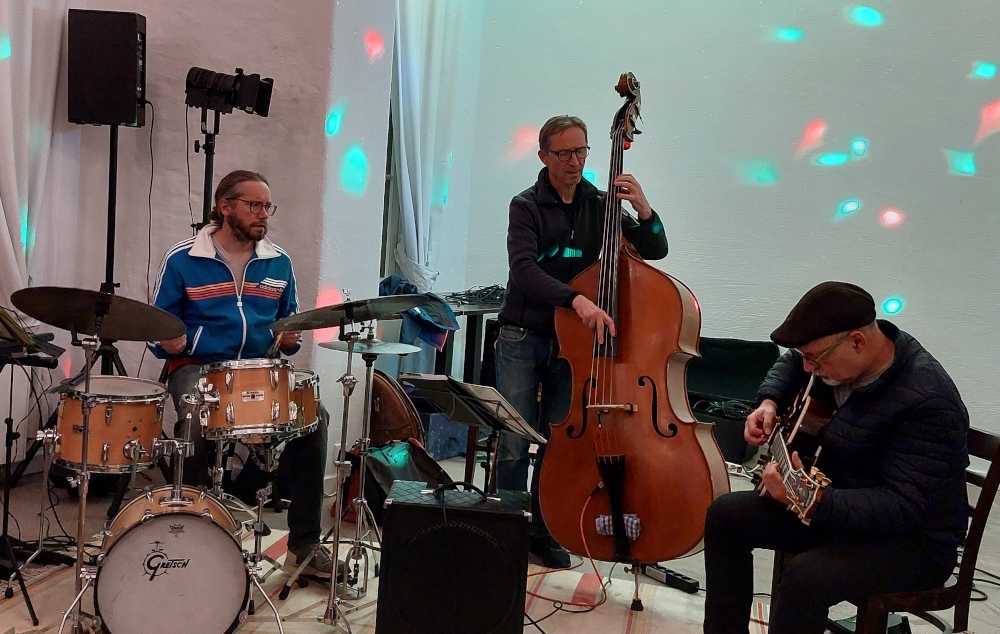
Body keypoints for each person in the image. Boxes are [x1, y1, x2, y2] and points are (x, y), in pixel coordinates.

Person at [703, 281, 969, 634]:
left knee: (805, 578)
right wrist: (770, 401)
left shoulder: (928, 400)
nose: (809, 368)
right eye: (806, 358)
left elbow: (902, 506)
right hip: (841, 510)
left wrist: (803, 498)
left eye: (817, 359)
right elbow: (794, 364)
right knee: (725, 516)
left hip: (912, 542)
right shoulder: (836, 353)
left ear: (857, 341)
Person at [495, 115, 669, 568]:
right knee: (515, 439)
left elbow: (655, 251)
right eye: (565, 153)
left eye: (582, 152)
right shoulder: (526, 205)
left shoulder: (599, 203)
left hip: (573, 344)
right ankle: (504, 530)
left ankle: (543, 527)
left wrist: (645, 210)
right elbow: (524, 271)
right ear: (543, 156)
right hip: (524, 333)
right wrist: (576, 300)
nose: (575, 162)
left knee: (558, 439)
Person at [150, 170, 336, 579]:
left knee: (314, 419)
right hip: (198, 366)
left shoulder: (278, 261)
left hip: (259, 370)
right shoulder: (184, 258)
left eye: (267, 207)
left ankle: (304, 546)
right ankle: (192, 534)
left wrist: (289, 338)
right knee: (196, 421)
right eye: (254, 206)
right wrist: (168, 342)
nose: (263, 215)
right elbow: (154, 327)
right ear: (225, 206)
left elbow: (289, 321)